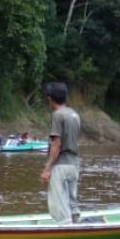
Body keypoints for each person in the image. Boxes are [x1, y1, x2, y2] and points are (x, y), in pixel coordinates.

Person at [40, 82, 81, 224]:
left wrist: (47, 169)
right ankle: (76, 227)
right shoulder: (74, 114)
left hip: (61, 165)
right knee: (71, 202)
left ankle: (67, 231)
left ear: (49, 98)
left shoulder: (58, 115)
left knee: (58, 205)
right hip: (74, 164)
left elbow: (56, 144)